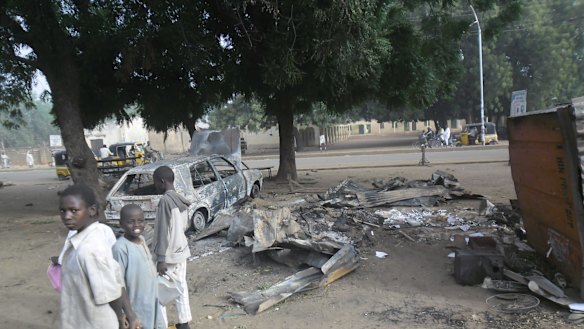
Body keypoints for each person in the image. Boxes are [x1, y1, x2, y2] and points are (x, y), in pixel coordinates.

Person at [58, 184, 140, 329]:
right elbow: (116, 279)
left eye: (74, 210)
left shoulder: (89, 249)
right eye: (63, 211)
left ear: (92, 210)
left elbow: (111, 293)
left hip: (94, 322)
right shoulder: (85, 238)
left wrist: (121, 319)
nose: (67, 216)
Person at [152, 166, 192, 329]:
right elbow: (184, 226)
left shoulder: (165, 201)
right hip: (181, 251)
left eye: (155, 182)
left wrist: (161, 258)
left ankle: (161, 325)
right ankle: (184, 323)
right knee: (181, 288)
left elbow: (163, 231)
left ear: (162, 181)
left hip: (168, 256)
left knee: (159, 291)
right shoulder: (180, 199)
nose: (154, 186)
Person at [113, 204, 162, 329]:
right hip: (136, 308)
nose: (136, 225)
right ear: (121, 224)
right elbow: (119, 284)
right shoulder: (120, 248)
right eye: (130, 222)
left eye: (140, 221)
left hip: (152, 301)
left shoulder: (141, 239)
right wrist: (128, 314)